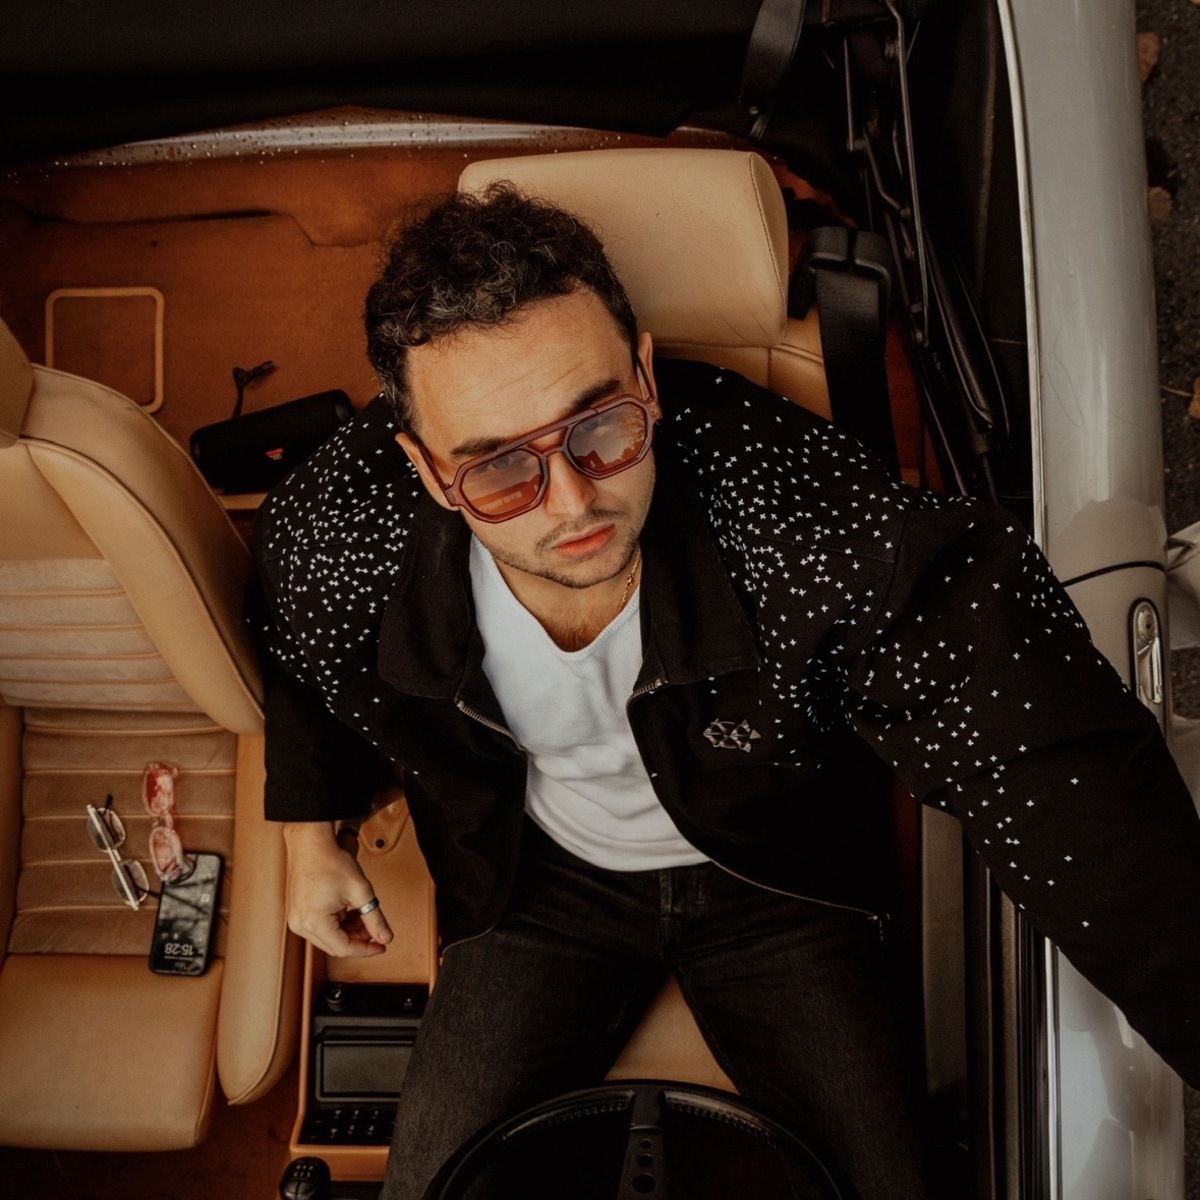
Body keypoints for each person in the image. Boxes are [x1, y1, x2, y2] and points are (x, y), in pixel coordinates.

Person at [250, 182, 1200, 1200]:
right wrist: (308, 832)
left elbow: (1047, 762)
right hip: (538, 885)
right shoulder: (340, 532)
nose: (572, 502)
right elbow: (290, 632)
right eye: (498, 469)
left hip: (773, 877)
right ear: (427, 470)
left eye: (600, 425)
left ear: (646, 377)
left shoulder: (791, 512)